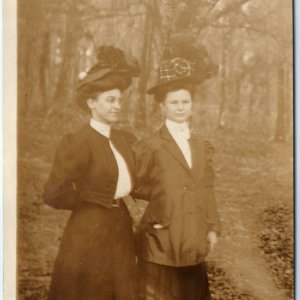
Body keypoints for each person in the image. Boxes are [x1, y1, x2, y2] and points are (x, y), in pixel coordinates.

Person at [43, 45, 140, 300]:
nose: (117, 105)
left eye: (119, 100)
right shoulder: (78, 141)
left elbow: (139, 182)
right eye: (110, 100)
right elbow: (52, 194)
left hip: (120, 228)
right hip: (88, 234)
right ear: (91, 103)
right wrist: (89, 198)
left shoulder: (124, 140)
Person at [133, 45, 221, 300]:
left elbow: (207, 186)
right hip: (161, 237)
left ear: (192, 104)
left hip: (192, 235)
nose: (181, 108)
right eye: (174, 102)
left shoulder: (201, 145)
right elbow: (134, 184)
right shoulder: (151, 145)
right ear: (162, 106)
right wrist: (162, 196)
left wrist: (212, 227)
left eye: (185, 102)